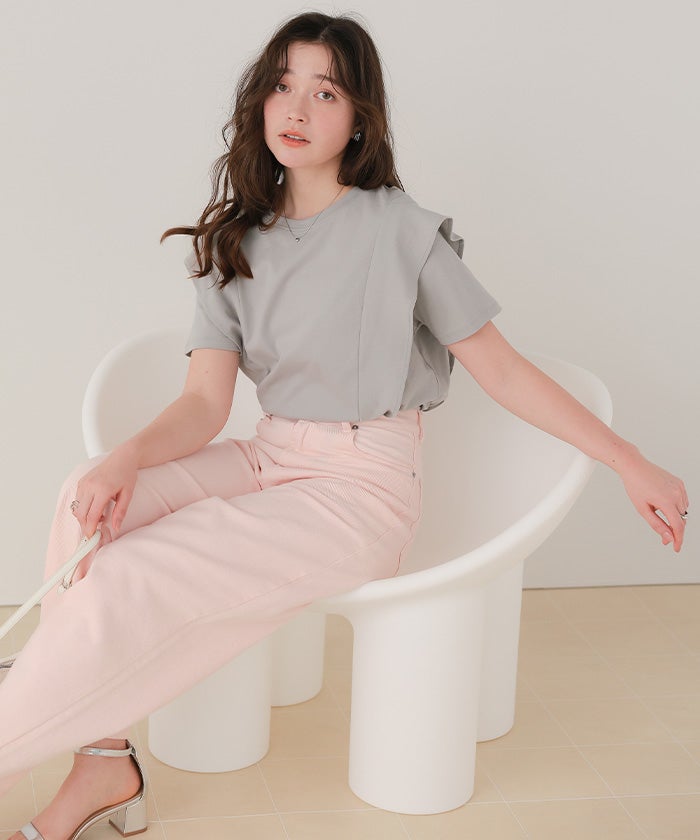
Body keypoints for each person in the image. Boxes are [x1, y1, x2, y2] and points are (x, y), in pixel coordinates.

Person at [1, 10, 688, 840]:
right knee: (86, 494)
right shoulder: (236, 241)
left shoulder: (402, 232)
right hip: (267, 458)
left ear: (359, 118)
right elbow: (204, 405)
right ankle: (103, 758)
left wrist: (629, 460)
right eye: (282, 86)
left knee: (130, 577)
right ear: (260, 102)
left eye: (325, 93)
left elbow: (503, 371)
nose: (297, 109)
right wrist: (124, 459)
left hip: (360, 489)